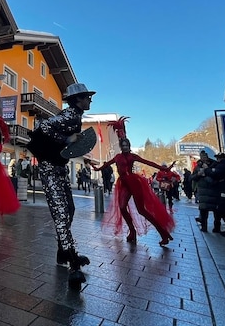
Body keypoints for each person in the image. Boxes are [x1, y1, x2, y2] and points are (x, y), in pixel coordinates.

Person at [26, 82, 95, 289]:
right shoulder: (70, 116)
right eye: (86, 97)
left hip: (59, 169)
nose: (89, 100)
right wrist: (66, 138)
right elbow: (42, 127)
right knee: (62, 214)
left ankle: (61, 252)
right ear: (77, 100)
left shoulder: (75, 116)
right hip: (50, 169)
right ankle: (73, 264)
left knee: (69, 211)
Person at [95, 117, 175, 245]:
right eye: (123, 145)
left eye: (127, 145)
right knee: (122, 207)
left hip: (134, 183)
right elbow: (106, 165)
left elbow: (149, 162)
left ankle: (164, 233)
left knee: (142, 210)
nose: (125, 147)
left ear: (129, 146)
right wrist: (96, 168)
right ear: (121, 146)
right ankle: (132, 231)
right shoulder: (117, 157)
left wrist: (165, 169)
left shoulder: (133, 156)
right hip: (124, 184)